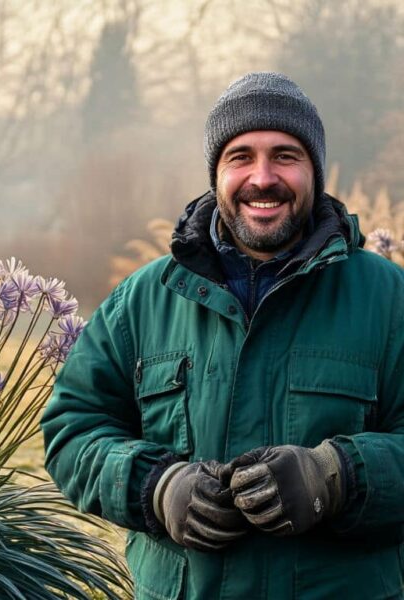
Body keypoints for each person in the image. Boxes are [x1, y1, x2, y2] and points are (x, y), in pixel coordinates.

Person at [41, 72, 404, 599]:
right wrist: (155, 487)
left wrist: (336, 476)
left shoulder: (389, 300)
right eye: (240, 157)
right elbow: (72, 430)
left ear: (314, 171)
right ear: (217, 173)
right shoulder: (141, 301)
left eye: (285, 155)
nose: (262, 177)